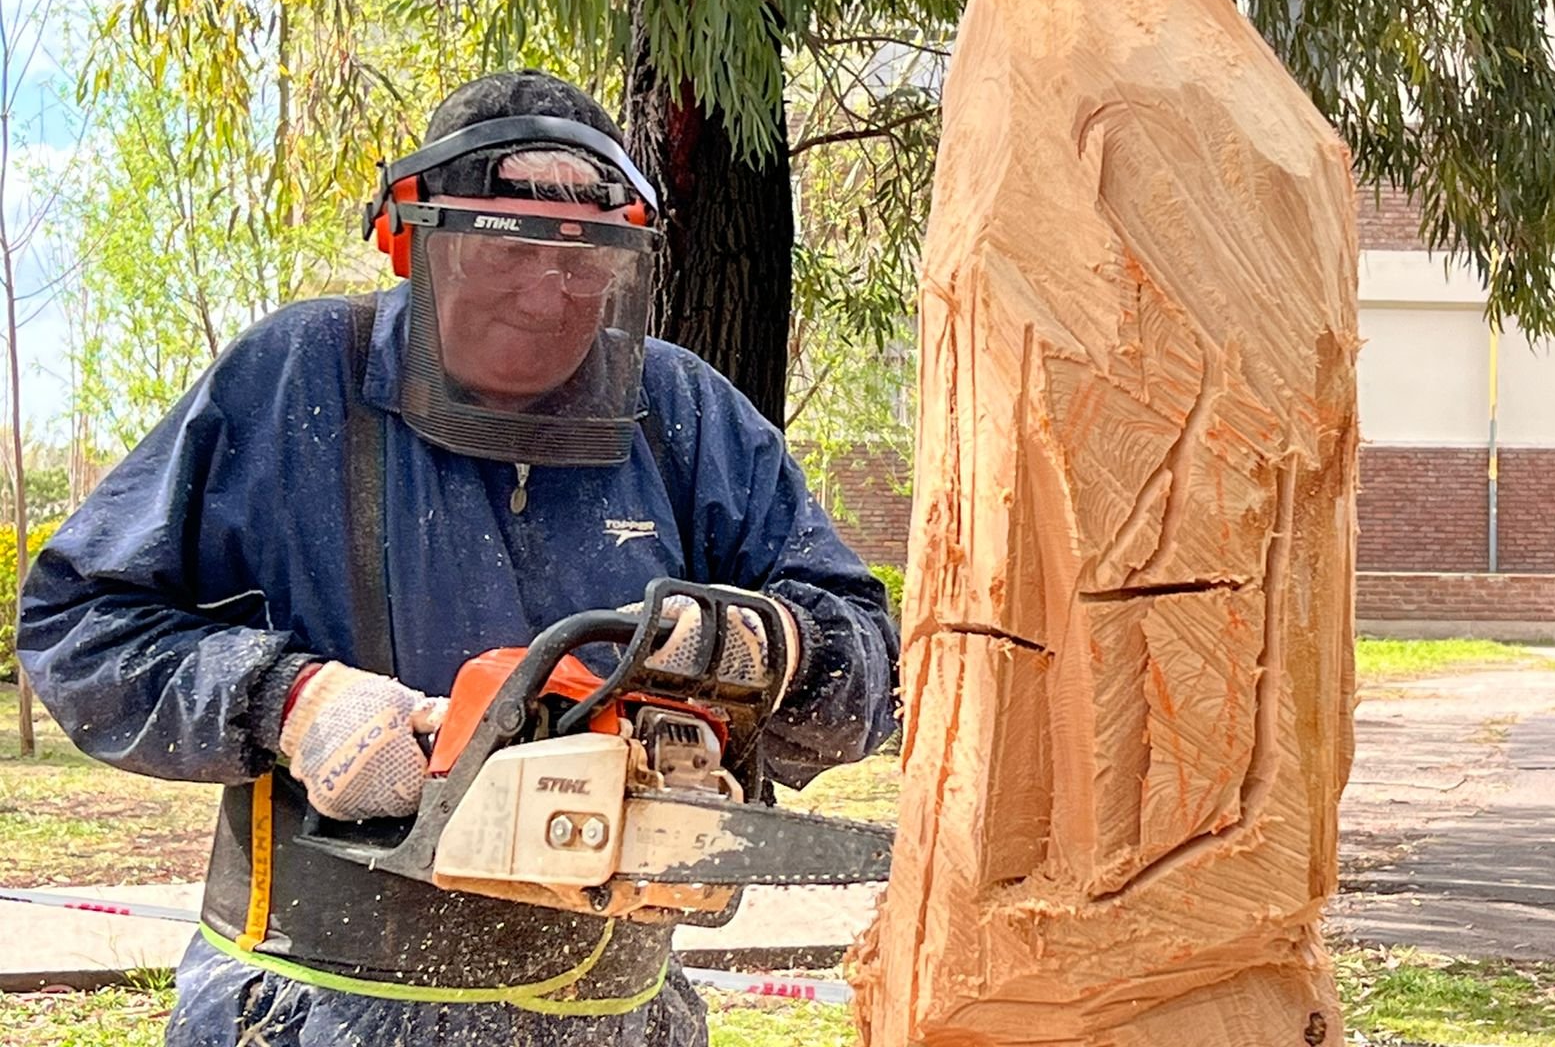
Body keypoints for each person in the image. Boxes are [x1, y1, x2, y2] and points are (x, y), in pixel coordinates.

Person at [17, 70, 899, 1046]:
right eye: (499, 252)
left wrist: (767, 650)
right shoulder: (295, 380)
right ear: (414, 244)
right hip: (320, 1011)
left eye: (585, 259)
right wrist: (288, 703)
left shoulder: (682, 412)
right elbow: (79, 625)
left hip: (616, 1017)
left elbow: (867, 651)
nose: (544, 292)